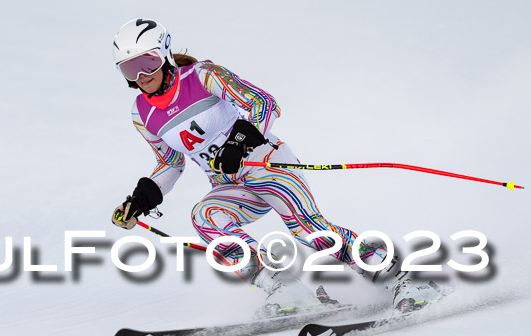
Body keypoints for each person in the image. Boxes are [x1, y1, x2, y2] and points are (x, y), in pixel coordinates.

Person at [110, 18, 441, 314]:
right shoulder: (141, 113)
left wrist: (238, 143)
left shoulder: (203, 75)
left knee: (310, 232)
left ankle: (405, 277)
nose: (142, 76)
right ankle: (286, 288)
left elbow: (263, 103)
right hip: (233, 186)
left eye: (147, 62)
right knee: (206, 217)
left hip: (269, 164)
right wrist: (140, 201)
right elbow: (170, 162)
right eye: (129, 69)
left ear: (164, 54)